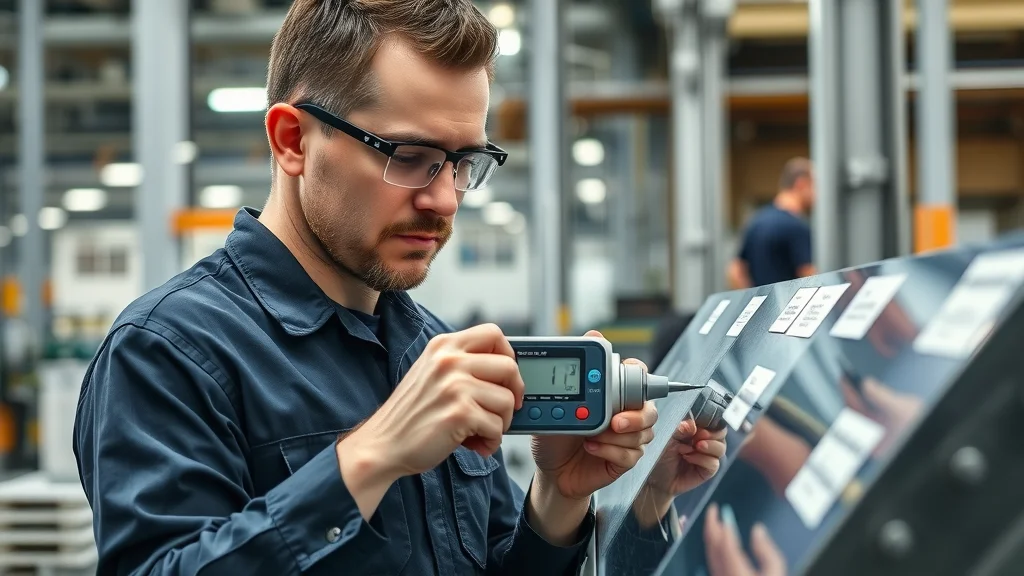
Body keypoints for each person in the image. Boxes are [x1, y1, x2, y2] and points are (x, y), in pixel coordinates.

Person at [70, 2, 725, 574]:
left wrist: (558, 500)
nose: (444, 199)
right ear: (292, 140)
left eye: (464, 162)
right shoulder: (168, 352)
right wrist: (368, 458)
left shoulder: (433, 347)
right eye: (408, 158)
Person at [728, 158, 817, 289]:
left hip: (762, 306)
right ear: (801, 184)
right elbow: (809, 276)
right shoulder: (797, 227)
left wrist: (754, 299)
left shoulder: (757, 220)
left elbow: (734, 271)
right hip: (789, 306)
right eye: (815, 186)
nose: (817, 194)